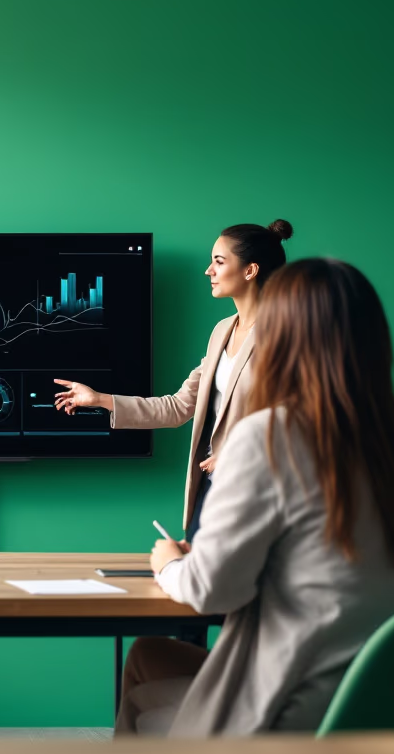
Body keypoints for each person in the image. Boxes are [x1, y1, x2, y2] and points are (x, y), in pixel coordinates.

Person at [117, 258, 394, 736]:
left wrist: (170, 563)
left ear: (281, 339)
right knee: (151, 655)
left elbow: (210, 590)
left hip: (293, 712)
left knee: (140, 699)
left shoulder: (268, 436)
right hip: (390, 708)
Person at [55, 221, 292, 540]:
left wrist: (240, 451)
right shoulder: (222, 331)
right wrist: (100, 399)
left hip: (255, 486)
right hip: (212, 483)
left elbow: (299, 415)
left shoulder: (285, 334)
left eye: (219, 262)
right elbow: (179, 407)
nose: (209, 270)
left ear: (250, 270)